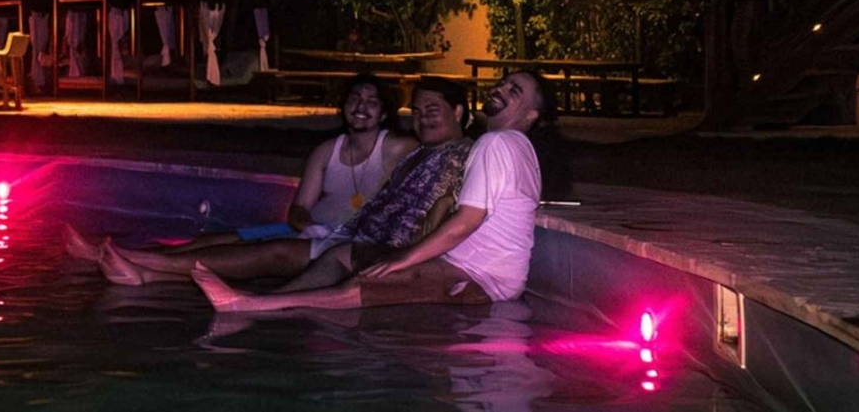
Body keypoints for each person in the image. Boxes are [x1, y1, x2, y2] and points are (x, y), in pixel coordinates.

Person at [191, 70, 554, 313]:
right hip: (471, 265)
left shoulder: (496, 144)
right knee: (343, 256)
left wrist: (403, 259)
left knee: (371, 280)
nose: (501, 89)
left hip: (483, 277)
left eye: (515, 91)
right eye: (503, 83)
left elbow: (466, 220)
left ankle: (250, 306)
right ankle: (267, 299)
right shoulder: (513, 147)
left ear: (532, 114)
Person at [85, 78, 473, 288]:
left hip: (349, 236)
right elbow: (299, 208)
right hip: (316, 230)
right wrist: (308, 225)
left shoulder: (405, 148)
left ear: (385, 112)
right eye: (354, 100)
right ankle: (136, 259)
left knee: (262, 252)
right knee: (231, 238)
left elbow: (438, 192)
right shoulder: (327, 150)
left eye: (372, 102)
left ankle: (140, 263)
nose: (361, 108)